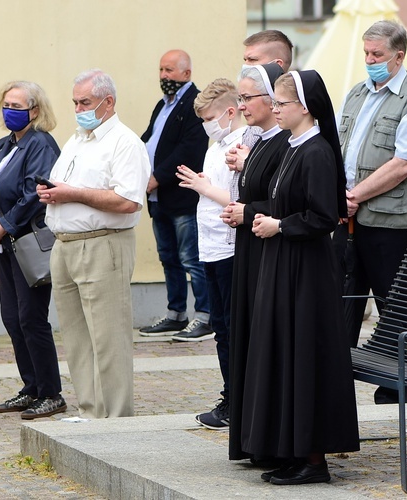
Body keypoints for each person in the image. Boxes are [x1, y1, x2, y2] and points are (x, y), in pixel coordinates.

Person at [242, 69, 359, 486]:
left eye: (281, 104)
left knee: (304, 357)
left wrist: (279, 226)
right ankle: (293, 450)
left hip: (307, 271)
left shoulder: (316, 152)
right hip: (285, 265)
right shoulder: (294, 146)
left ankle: (313, 458)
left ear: (304, 108)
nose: (275, 109)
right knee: (286, 355)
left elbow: (324, 215)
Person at [39, 69, 150, 418]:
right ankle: (90, 413)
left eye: (85, 102)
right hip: (65, 244)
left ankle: (116, 419)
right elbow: (69, 187)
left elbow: (128, 201)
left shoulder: (124, 142)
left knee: (109, 337)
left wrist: (71, 193)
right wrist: (53, 192)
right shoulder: (77, 139)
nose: (78, 109)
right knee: (77, 337)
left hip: (102, 245)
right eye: (75, 102)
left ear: (108, 102)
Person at [333, 20, 407, 352]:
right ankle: (339, 378)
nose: (369, 60)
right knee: (342, 303)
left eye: (377, 54)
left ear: (399, 56)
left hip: (390, 222)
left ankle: (394, 390)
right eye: (366, 53)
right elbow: (338, 147)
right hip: (348, 217)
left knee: (393, 310)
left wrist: (352, 196)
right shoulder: (356, 93)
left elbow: (404, 164)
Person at [0, 81, 66, 420]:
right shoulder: (5, 145)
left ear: (35, 110)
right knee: (13, 319)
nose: (10, 111)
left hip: (27, 242)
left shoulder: (40, 143)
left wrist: (4, 225)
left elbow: (34, 192)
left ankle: (50, 392)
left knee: (32, 319)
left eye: (17, 105)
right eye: (6, 104)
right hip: (5, 244)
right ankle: (31, 387)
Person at [221, 63, 292, 462]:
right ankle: (251, 438)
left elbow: (286, 203)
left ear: (271, 100)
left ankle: (263, 439)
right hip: (251, 247)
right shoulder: (262, 141)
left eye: (248, 98)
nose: (242, 105)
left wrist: (246, 212)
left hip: (270, 250)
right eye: (240, 98)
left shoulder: (284, 142)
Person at [176, 79, 248, 429]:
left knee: (232, 327)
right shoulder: (216, 144)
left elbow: (238, 197)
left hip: (231, 246)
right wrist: (205, 184)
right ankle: (230, 395)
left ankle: (238, 399)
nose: (206, 124)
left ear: (230, 112)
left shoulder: (242, 143)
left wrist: (205, 187)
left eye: (209, 117)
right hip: (212, 246)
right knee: (220, 326)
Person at [139, 49, 212, 342]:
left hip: (180, 196)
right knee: (168, 257)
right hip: (159, 200)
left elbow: (189, 150)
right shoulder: (163, 105)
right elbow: (148, 140)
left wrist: (156, 177)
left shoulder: (194, 104)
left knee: (191, 258)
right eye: (161, 70)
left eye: (170, 70)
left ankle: (205, 317)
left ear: (187, 73)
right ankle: (175, 314)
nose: (164, 76)